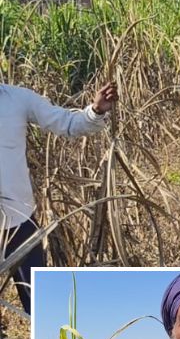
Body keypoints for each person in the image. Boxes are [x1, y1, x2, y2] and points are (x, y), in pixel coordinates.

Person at [0, 81, 116, 313]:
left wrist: (96, 110)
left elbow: (68, 123)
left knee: (38, 305)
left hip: (20, 225)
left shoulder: (18, 99)